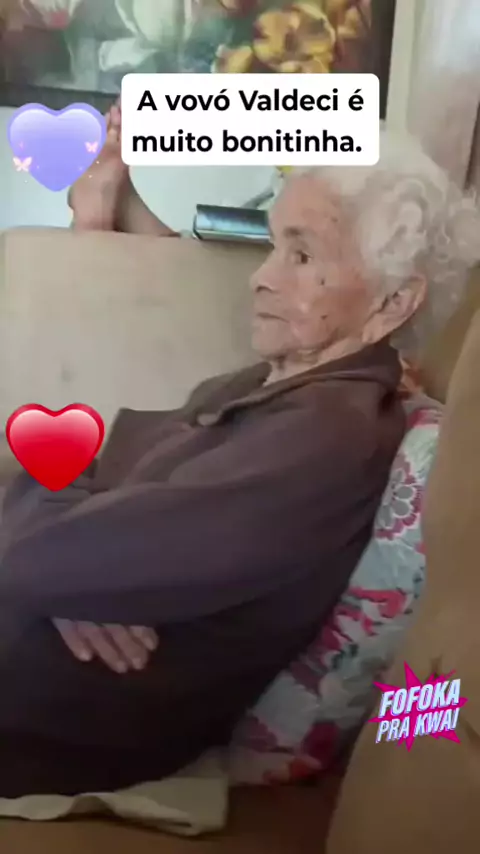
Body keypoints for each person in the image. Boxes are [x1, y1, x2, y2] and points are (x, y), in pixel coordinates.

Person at [0, 105, 477, 797]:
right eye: (274, 246)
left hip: (50, 716)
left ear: (394, 303)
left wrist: (63, 567)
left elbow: (35, 555)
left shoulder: (323, 439)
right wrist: (74, 576)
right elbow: (96, 471)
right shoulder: (281, 382)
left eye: (301, 256)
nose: (259, 278)